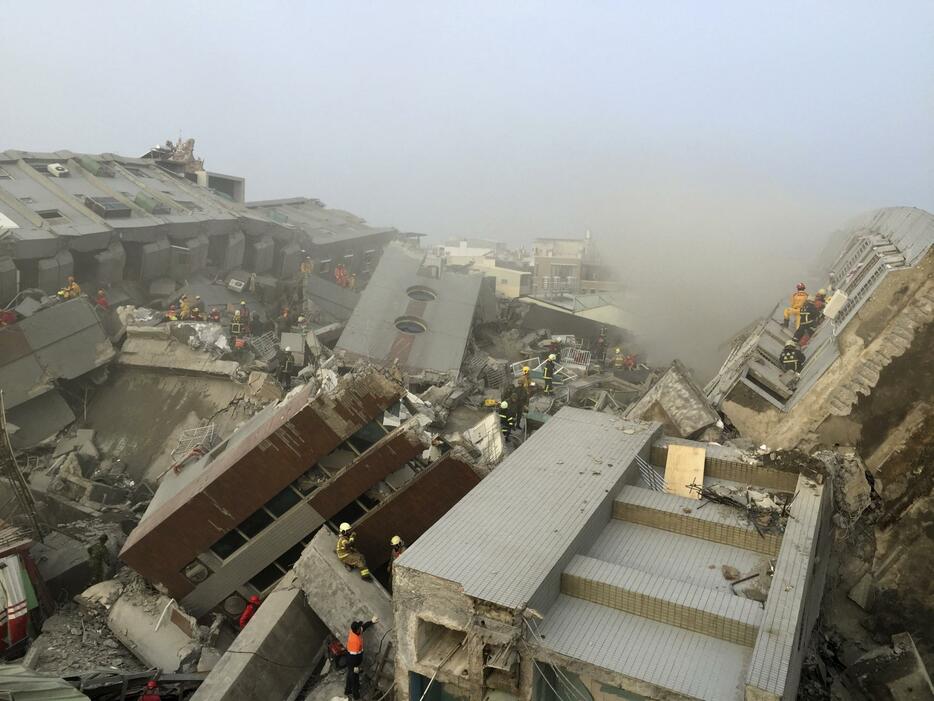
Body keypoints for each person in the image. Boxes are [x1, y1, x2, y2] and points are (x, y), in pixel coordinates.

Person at [344, 616, 379, 700]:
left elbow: (364, 627)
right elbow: (354, 658)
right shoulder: (355, 641)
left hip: (351, 657)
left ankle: (347, 691)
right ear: (356, 630)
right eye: (359, 628)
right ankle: (356, 696)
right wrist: (356, 667)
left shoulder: (355, 631)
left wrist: (371, 621)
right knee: (354, 678)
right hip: (352, 660)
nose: (361, 629)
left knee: (350, 674)